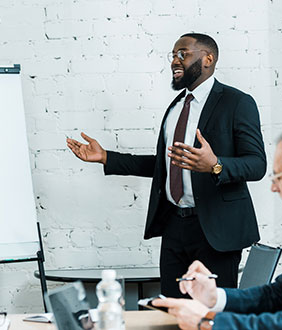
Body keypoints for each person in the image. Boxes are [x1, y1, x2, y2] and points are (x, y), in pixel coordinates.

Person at [67, 33, 266, 297]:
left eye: (182, 53)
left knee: (211, 316)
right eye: (173, 55)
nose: (175, 61)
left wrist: (216, 165)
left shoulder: (237, 102)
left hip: (216, 232)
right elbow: (164, 166)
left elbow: (257, 164)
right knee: (171, 310)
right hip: (175, 227)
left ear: (208, 59)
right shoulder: (176, 108)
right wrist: (107, 157)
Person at [153, 119, 282, 329]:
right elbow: (279, 294)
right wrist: (214, 297)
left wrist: (207, 322)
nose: (273, 188)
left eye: (278, 177)